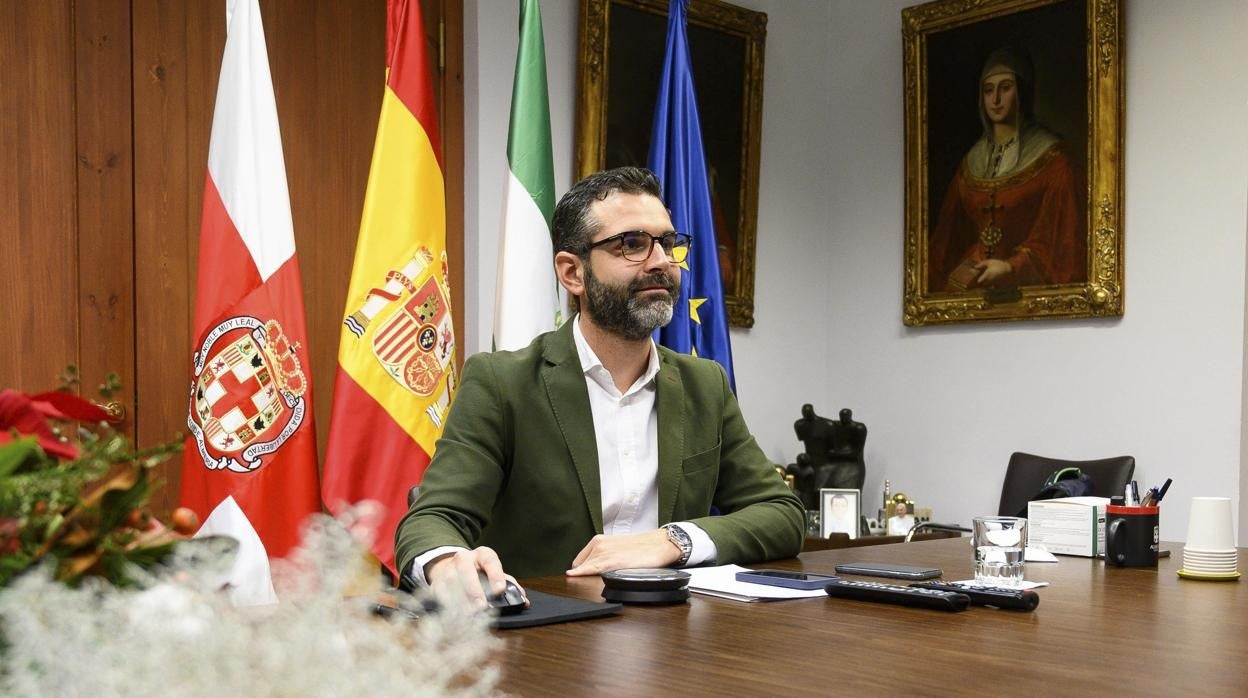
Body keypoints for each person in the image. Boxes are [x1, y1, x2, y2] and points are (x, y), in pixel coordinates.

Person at [394, 167, 805, 607]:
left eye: (667, 243)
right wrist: (447, 560)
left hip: (674, 638)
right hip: (547, 640)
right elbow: (434, 517)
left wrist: (675, 541)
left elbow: (783, 514)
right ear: (573, 273)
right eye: (632, 244)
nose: (662, 261)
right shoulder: (502, 383)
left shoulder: (704, 384)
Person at [928, 46, 1086, 292]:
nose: (996, 100)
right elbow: (947, 240)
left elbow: (1062, 241)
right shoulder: (971, 161)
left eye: (1005, 88)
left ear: (1022, 91)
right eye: (988, 90)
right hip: (969, 283)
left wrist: (1012, 267)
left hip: (1023, 285)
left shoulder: (1055, 160)